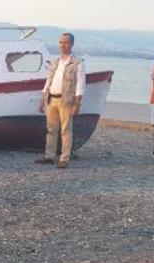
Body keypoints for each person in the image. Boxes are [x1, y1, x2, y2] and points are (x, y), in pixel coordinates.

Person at [35, 32, 86, 169]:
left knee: (66, 130)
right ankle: (49, 156)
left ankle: (64, 158)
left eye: (66, 42)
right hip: (52, 99)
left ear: (72, 44)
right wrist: (42, 99)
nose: (63, 45)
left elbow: (80, 85)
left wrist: (77, 103)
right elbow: (48, 81)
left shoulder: (77, 63)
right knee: (51, 129)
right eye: (61, 42)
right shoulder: (55, 62)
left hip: (66, 101)